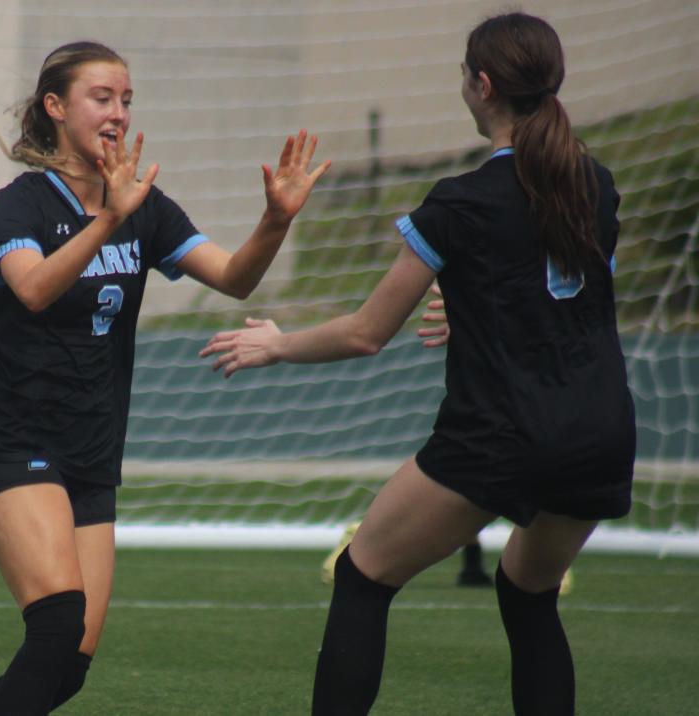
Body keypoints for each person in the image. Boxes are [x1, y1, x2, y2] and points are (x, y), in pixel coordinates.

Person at [201, 12, 633, 714]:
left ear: (481, 85)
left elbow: (368, 333)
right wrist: (472, 310)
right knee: (529, 597)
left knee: (363, 575)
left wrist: (275, 342)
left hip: (505, 432)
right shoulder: (598, 184)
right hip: (601, 432)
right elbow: (575, 306)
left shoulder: (460, 203)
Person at [0, 41, 330, 715]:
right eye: (102, 98)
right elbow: (33, 289)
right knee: (58, 622)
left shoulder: (146, 207)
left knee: (68, 669)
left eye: (126, 100)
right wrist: (108, 220)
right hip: (14, 437)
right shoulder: (23, 203)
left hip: (91, 448)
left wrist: (276, 220)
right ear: (56, 106)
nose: (118, 113)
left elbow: (236, 279)